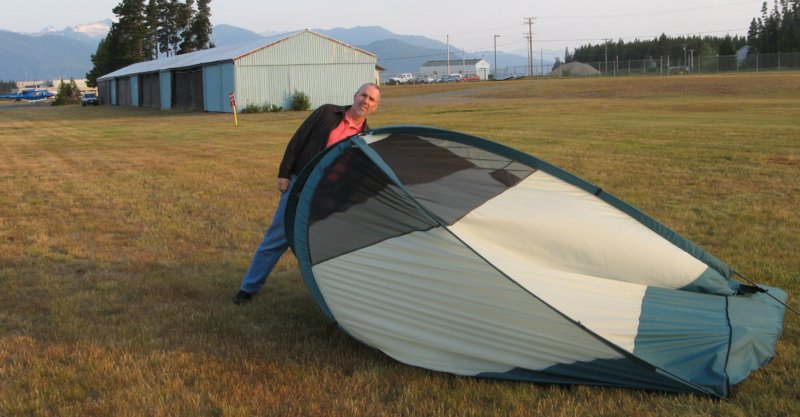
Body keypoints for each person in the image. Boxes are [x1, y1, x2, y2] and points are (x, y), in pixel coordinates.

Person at [233, 83, 381, 305]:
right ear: (355, 95)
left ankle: (331, 296)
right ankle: (248, 289)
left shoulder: (365, 137)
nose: (365, 101)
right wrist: (284, 173)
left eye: (371, 99)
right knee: (277, 237)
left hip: (327, 195)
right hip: (300, 184)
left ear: (375, 107)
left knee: (321, 245)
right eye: (364, 95)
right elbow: (298, 140)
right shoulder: (327, 113)